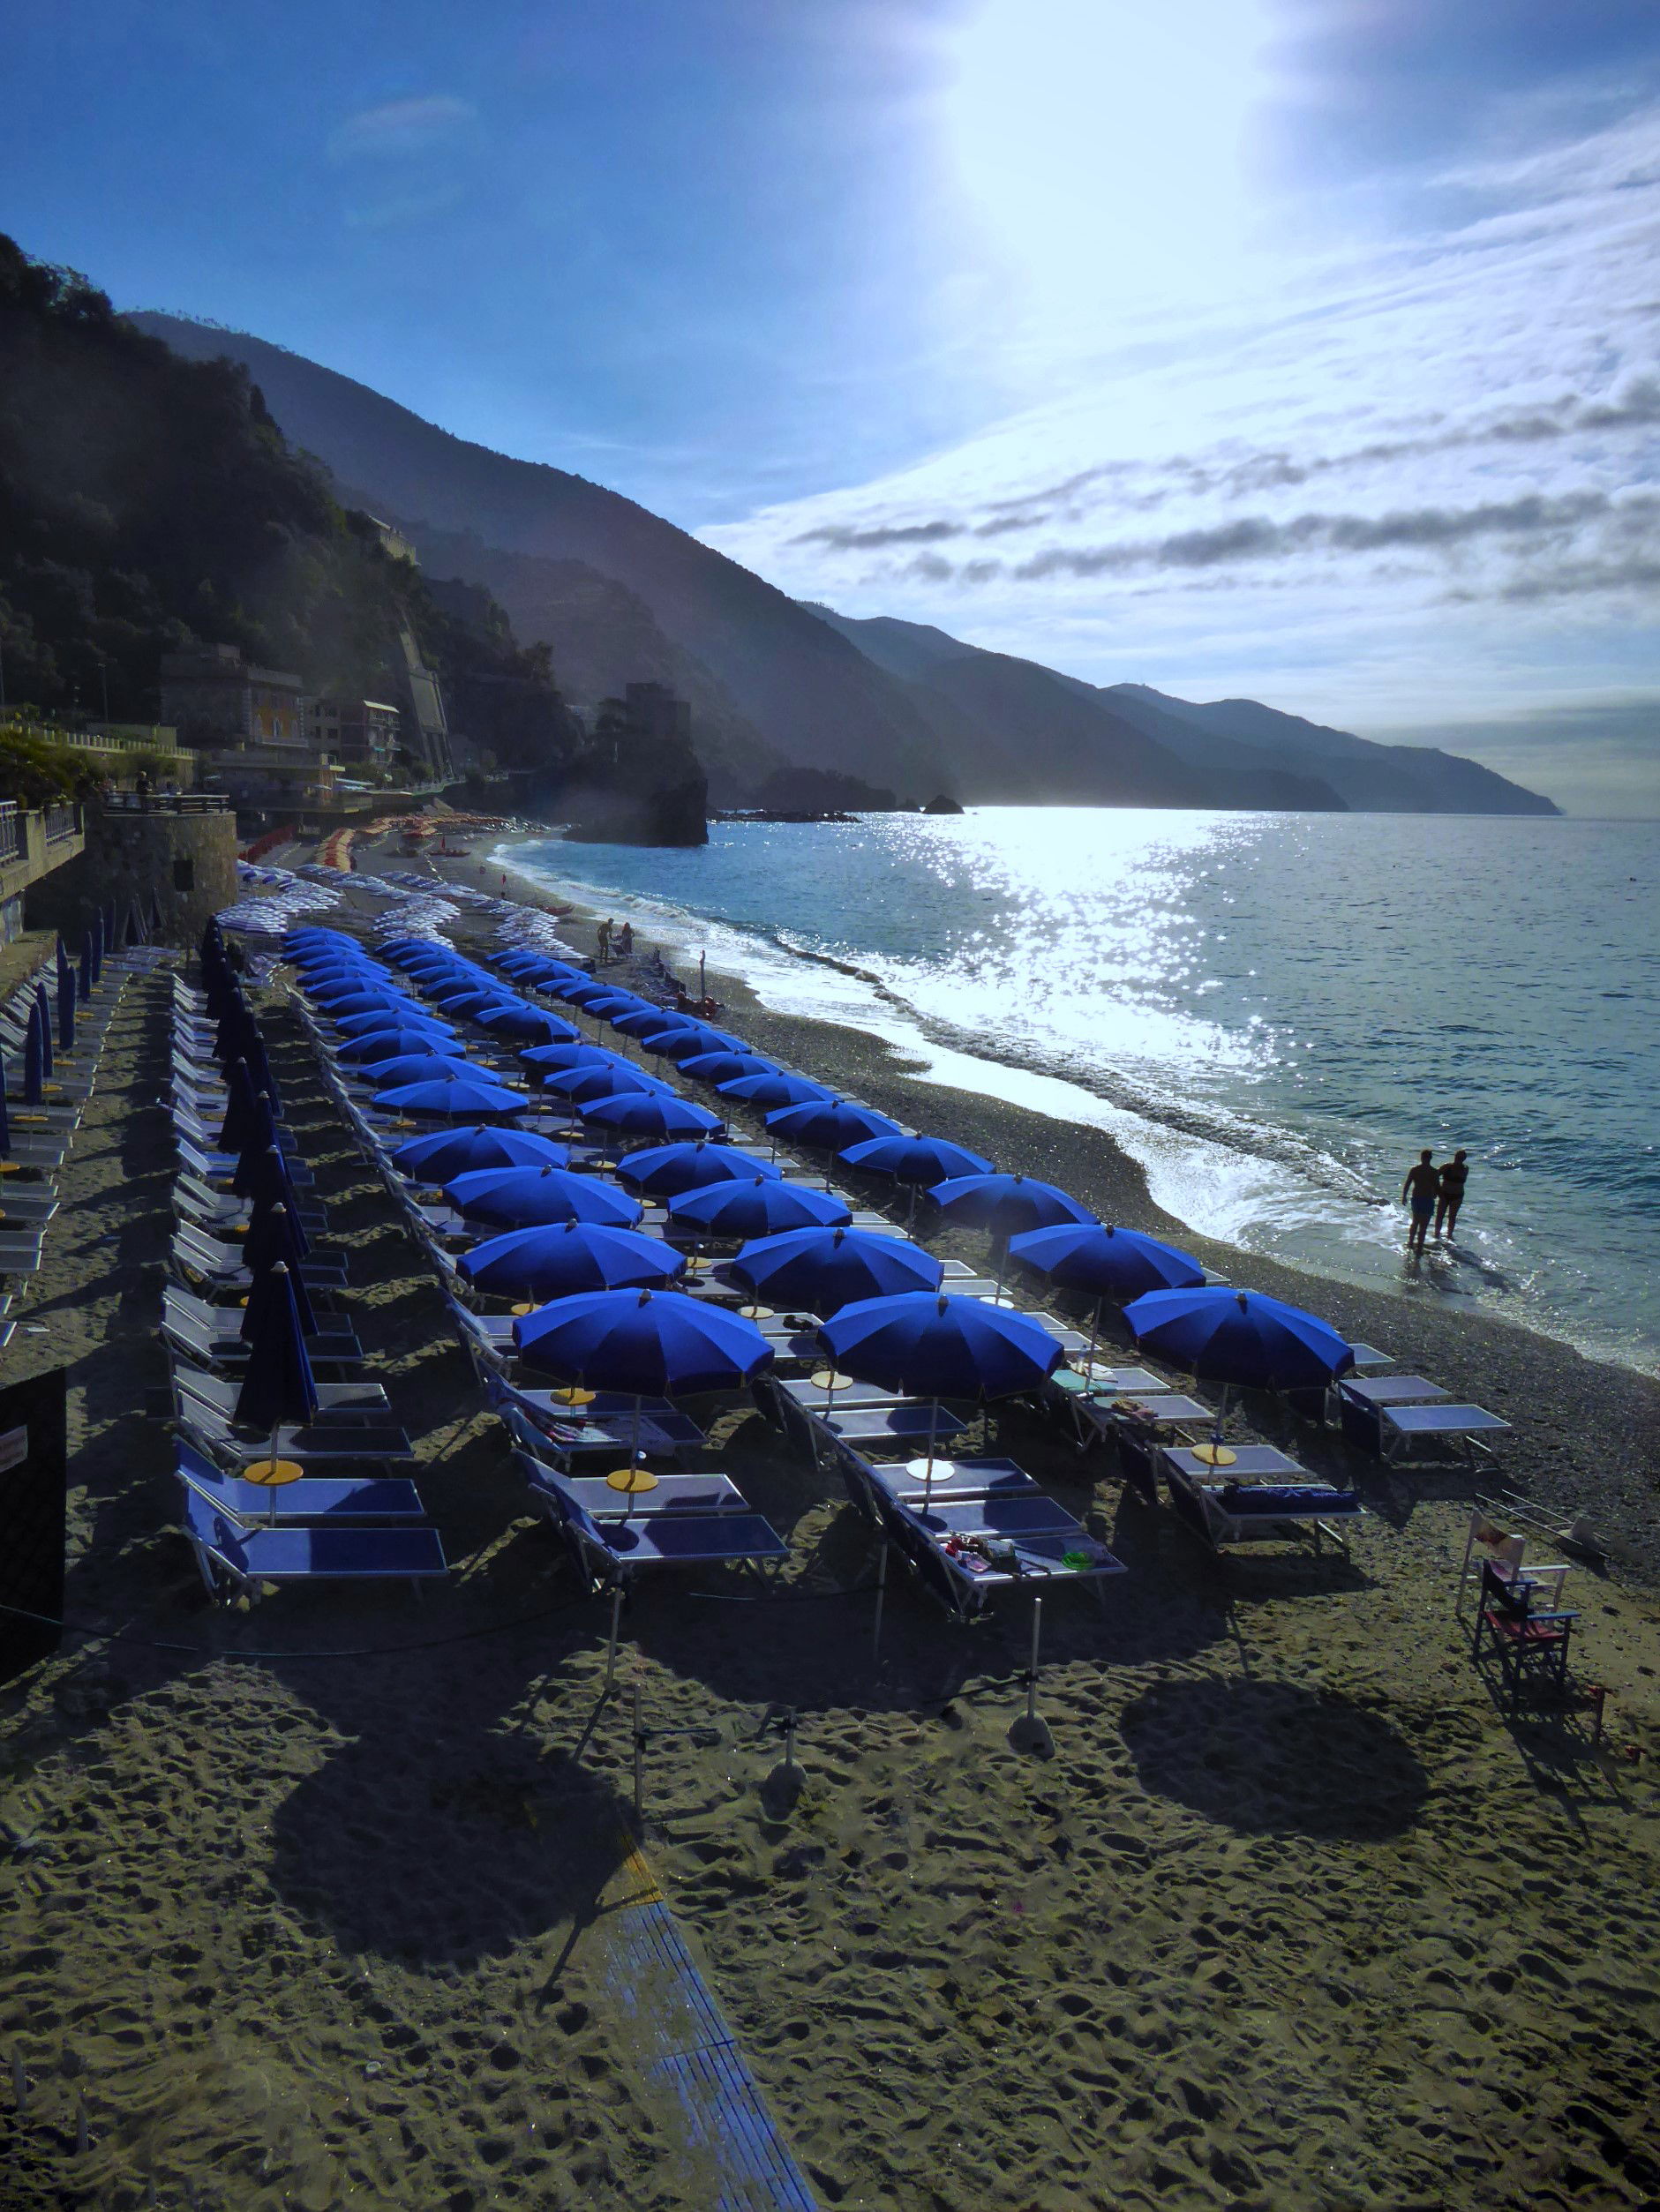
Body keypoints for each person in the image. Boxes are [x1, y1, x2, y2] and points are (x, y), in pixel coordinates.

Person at [1401, 1149, 1439, 1254]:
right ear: (1430, 1158)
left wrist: (1404, 1196)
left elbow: (1408, 1184)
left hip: (1417, 1199)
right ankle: (1419, 1248)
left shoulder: (1415, 1170)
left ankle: (1411, 1243)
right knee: (1423, 1226)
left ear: (1421, 1158)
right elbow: (1437, 1188)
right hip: (1427, 1200)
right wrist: (1437, 1196)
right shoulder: (1434, 1172)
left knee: (1415, 1222)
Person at [1435, 1149, 1469, 1241]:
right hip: (1444, 1194)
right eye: (1457, 1157)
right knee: (1440, 1215)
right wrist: (1437, 1190)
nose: (1458, 1160)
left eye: (1461, 1158)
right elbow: (1435, 1176)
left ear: (1464, 1159)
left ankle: (1449, 1236)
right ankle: (1436, 1234)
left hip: (1457, 1196)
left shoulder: (1465, 1169)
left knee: (1452, 1217)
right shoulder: (1447, 1167)